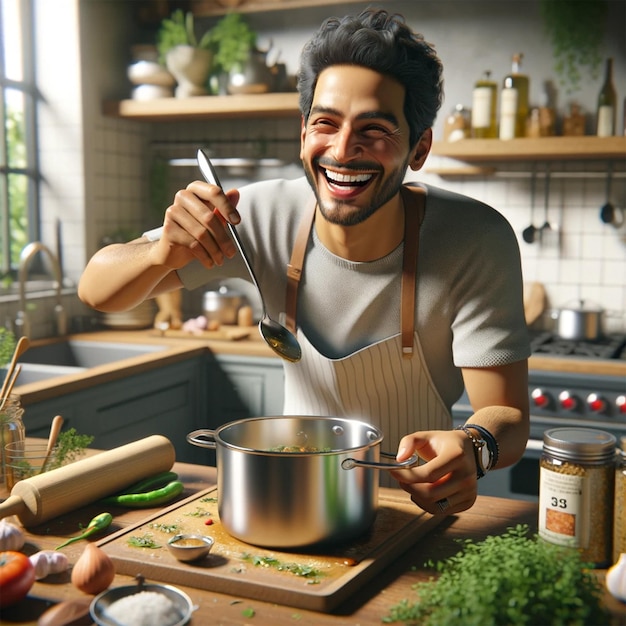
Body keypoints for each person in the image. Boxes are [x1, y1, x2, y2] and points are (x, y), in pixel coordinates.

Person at [78, 9, 530, 516]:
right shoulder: (260, 214)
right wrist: (162, 251)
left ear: (419, 147)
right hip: (294, 496)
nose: (342, 150)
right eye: (326, 123)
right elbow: (97, 287)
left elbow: (507, 415)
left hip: (416, 507)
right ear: (303, 134)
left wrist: (475, 446)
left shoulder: (473, 238)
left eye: (375, 128)